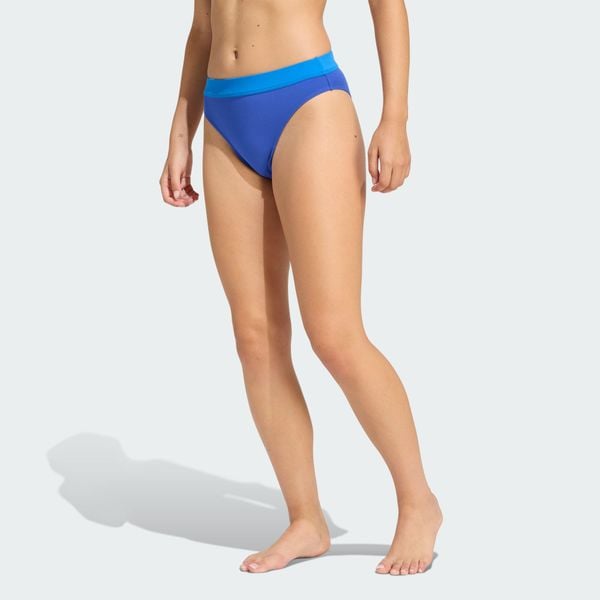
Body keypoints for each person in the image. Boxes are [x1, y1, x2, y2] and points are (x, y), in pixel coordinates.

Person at [159, 0, 442, 577]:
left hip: (307, 104)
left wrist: (395, 117)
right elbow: (203, 27)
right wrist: (180, 132)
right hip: (223, 116)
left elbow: (387, 6)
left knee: (335, 335)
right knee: (255, 337)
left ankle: (419, 503)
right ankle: (306, 519)